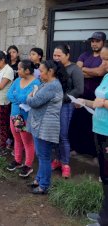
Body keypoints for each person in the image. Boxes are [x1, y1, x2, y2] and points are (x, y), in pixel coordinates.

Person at [76, 44, 108, 226]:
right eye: (102, 59)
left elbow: (103, 102)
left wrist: (103, 103)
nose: (103, 64)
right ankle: (104, 213)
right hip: (99, 128)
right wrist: (84, 101)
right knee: (104, 175)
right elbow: (97, 102)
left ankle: (105, 220)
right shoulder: (106, 77)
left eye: (107, 60)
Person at [27, 60, 65, 194]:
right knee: (41, 155)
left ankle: (44, 185)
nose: (39, 74)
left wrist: (29, 96)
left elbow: (34, 101)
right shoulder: (47, 84)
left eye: (41, 71)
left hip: (46, 125)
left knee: (44, 156)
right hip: (41, 124)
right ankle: (39, 179)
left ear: (51, 72)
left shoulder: (52, 86)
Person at [70, 32, 106, 159]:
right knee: (79, 122)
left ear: (103, 42)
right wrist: (93, 72)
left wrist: (84, 69)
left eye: (97, 41)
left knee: (93, 124)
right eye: (92, 41)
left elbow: (100, 72)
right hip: (82, 94)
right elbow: (77, 70)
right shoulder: (84, 55)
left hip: (97, 97)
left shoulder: (104, 56)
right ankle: (78, 149)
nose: (94, 43)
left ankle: (94, 153)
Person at [52, 45, 84, 178]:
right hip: (53, 105)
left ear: (67, 56)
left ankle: (65, 164)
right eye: (55, 55)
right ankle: (56, 160)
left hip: (66, 105)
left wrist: (62, 98)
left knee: (63, 135)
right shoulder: (53, 68)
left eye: (59, 56)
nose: (56, 58)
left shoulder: (74, 69)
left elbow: (79, 90)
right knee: (54, 134)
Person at [6, 60, 40, 177]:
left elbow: (27, 99)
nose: (17, 70)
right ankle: (17, 160)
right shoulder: (17, 80)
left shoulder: (36, 83)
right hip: (15, 115)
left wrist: (18, 97)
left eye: (20, 69)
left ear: (27, 70)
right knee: (17, 138)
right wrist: (19, 98)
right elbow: (9, 94)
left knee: (27, 141)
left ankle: (28, 165)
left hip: (26, 116)